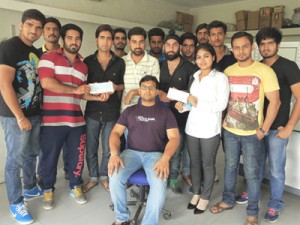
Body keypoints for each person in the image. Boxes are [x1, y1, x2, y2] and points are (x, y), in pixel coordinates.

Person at [210, 32, 281, 225]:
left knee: (252, 173)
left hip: (252, 134)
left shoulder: (264, 71)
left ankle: (252, 213)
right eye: (237, 47)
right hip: (230, 131)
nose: (241, 51)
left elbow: (275, 102)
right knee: (230, 168)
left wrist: (263, 130)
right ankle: (227, 200)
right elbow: (222, 102)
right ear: (232, 49)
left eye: (245, 47)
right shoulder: (228, 72)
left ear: (252, 48)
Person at [234, 27, 300, 223]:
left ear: (277, 45)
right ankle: (250, 192)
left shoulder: (289, 66)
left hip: (277, 129)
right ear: (257, 47)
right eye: (262, 43)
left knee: (276, 170)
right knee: (254, 165)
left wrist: (289, 127)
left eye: (270, 43)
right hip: (256, 127)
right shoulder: (257, 66)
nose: (266, 47)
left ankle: (274, 204)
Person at [108, 75, 180, 225]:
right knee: (114, 176)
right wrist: (114, 154)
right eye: (144, 87)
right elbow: (115, 133)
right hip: (131, 153)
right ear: (139, 90)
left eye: (151, 87)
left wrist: (165, 158)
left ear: (156, 91)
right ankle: (121, 218)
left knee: (159, 184)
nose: (147, 90)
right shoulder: (129, 111)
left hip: (155, 155)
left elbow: (174, 138)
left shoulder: (166, 113)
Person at [38, 23, 93, 210]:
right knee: (49, 157)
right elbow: (47, 83)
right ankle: (47, 189)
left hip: (76, 120)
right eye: (70, 38)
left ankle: (75, 185)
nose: (74, 41)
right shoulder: (48, 57)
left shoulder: (83, 66)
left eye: (77, 38)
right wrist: (76, 89)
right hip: (52, 121)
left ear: (81, 41)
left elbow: (82, 93)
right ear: (62, 39)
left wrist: (97, 96)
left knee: (77, 156)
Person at [0, 9, 46, 224]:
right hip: (15, 116)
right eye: (30, 25)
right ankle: (16, 203)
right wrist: (19, 116)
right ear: (21, 25)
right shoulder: (9, 47)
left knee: (32, 154)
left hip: (35, 113)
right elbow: (3, 84)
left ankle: (29, 187)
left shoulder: (35, 51)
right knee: (15, 159)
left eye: (38, 28)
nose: (33, 31)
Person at [175, 43, 229, 214]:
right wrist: (182, 107)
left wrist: (198, 102)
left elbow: (221, 105)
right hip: (192, 127)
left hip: (210, 129)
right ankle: (196, 192)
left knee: (207, 164)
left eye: (206, 56)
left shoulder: (220, 78)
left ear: (213, 57)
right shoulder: (195, 75)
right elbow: (192, 102)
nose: (202, 60)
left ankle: (205, 197)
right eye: (199, 57)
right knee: (195, 163)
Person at [82, 24, 125, 193]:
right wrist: (94, 95)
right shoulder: (87, 61)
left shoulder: (119, 62)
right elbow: (83, 87)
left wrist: (115, 87)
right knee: (91, 147)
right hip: (92, 111)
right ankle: (92, 177)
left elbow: (123, 86)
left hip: (111, 111)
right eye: (102, 38)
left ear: (113, 41)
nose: (106, 42)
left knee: (109, 148)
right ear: (96, 40)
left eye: (109, 38)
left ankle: (104, 176)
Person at [159, 30, 198, 193]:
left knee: (176, 148)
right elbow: (152, 86)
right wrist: (160, 93)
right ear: (163, 47)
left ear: (179, 47)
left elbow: (193, 95)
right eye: (168, 44)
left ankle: (173, 178)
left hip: (180, 116)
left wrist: (180, 98)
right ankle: (160, 175)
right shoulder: (158, 65)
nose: (171, 48)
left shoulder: (190, 68)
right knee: (160, 147)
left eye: (175, 45)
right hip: (160, 114)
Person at [36, 16, 71, 181]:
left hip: (66, 109)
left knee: (68, 145)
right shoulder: (35, 54)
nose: (52, 32)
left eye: (55, 29)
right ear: (43, 32)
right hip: (41, 107)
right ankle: (44, 178)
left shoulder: (69, 55)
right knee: (47, 147)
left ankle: (68, 172)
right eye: (48, 29)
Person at [121, 26, 160, 112]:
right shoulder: (122, 61)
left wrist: (133, 92)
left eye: (141, 42)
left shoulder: (153, 62)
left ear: (145, 42)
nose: (138, 46)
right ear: (129, 43)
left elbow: (154, 88)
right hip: (125, 110)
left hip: (146, 110)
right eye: (134, 42)